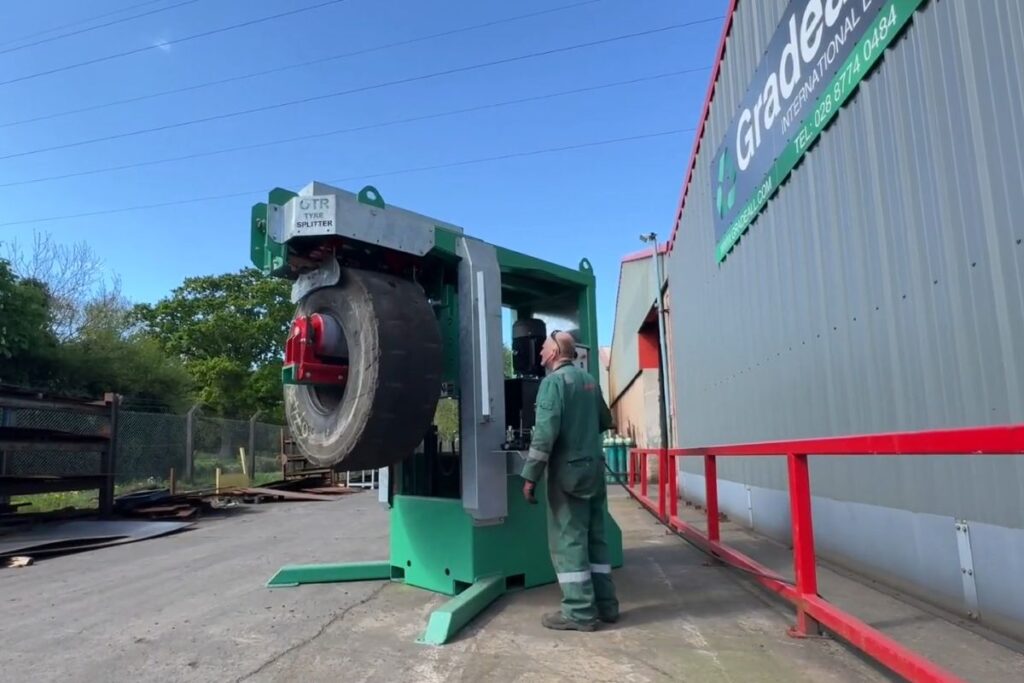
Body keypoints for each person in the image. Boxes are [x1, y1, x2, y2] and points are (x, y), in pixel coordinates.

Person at [520, 329, 619, 631]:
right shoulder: (589, 380)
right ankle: (607, 606)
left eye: (543, 349)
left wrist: (530, 477)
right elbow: (606, 421)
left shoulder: (553, 383)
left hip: (568, 476)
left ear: (552, 354)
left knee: (569, 540)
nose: (539, 354)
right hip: (594, 471)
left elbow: (544, 435)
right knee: (596, 538)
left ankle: (578, 613)